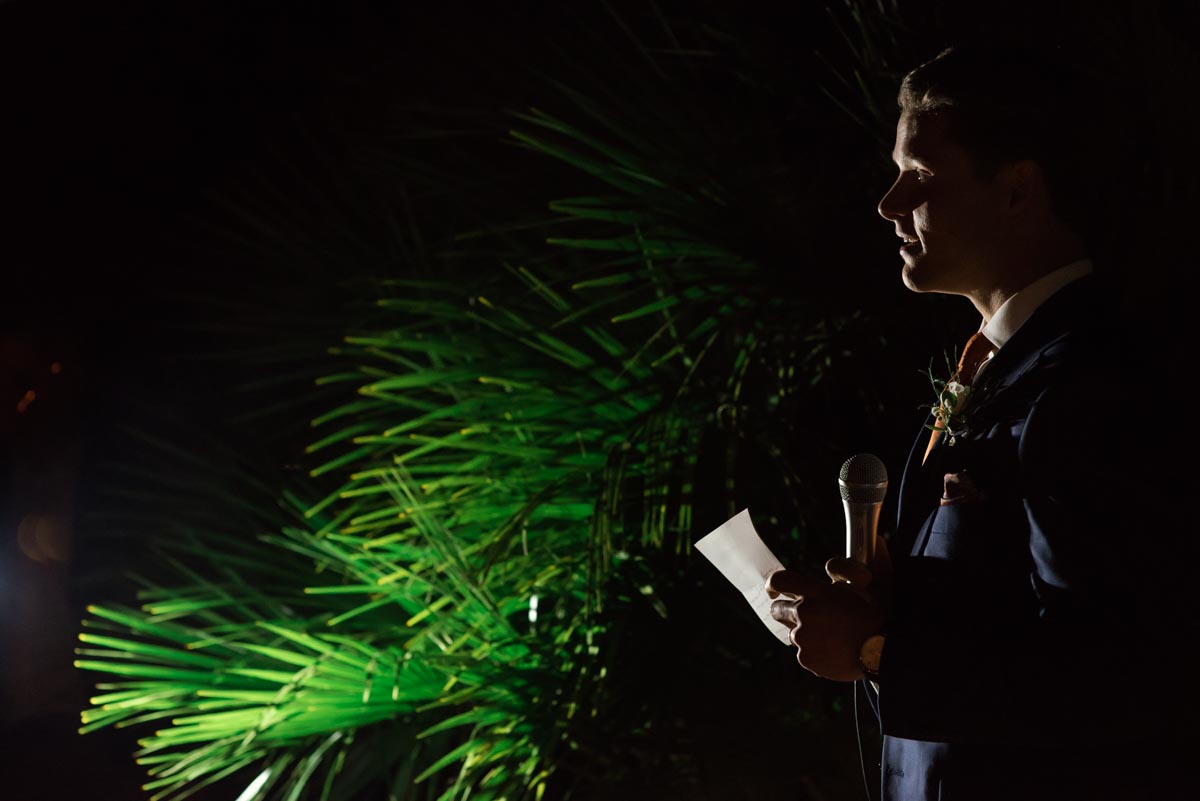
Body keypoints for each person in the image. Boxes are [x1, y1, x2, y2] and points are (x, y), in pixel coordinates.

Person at [767, 45, 1189, 801]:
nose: (889, 204)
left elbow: (1119, 670)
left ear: (1019, 189)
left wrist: (874, 648)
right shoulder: (999, 364)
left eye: (921, 177)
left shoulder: (1090, 385)